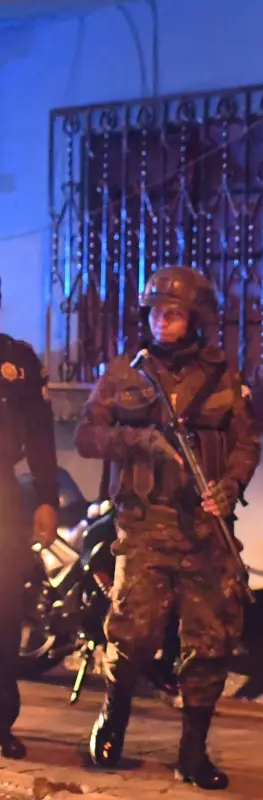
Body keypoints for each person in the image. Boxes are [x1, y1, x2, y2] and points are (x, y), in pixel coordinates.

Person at [75, 266, 260, 791]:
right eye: (155, 312)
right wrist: (139, 442)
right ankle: (113, 717)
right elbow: (87, 435)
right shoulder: (125, 373)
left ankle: (192, 752)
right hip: (144, 527)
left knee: (208, 645)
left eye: (173, 313)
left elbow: (248, 443)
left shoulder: (224, 377)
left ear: (195, 320)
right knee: (132, 637)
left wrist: (230, 485)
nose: (162, 321)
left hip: (206, 529)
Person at [0, 275, 60, 760]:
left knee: (4, 614)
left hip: (2, 493)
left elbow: (40, 433)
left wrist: (46, 497)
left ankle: (0, 721)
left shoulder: (16, 362)